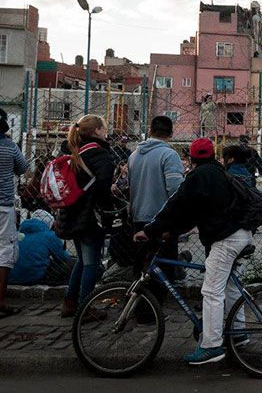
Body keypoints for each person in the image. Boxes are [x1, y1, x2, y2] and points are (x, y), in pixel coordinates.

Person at [134, 137, 253, 366]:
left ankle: (211, 346)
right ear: (213, 155)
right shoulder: (219, 173)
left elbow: (176, 205)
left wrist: (150, 230)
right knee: (228, 286)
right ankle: (238, 334)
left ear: (191, 158)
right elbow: (195, 213)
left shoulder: (197, 177)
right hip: (240, 233)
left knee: (211, 291)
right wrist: (173, 230)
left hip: (226, 238)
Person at [57, 115, 115, 319]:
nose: (106, 132)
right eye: (104, 128)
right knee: (92, 264)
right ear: (97, 131)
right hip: (90, 216)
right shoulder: (100, 154)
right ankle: (85, 307)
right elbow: (103, 186)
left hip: (71, 213)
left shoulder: (74, 150)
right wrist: (108, 210)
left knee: (82, 261)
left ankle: (69, 302)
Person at [128, 115, 185, 290]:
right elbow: (176, 190)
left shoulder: (134, 155)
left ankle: (141, 309)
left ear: (150, 130)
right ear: (171, 133)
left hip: (138, 217)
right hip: (161, 220)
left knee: (142, 267)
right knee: (163, 269)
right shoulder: (169, 155)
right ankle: (155, 312)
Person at [0, 108, 29, 318]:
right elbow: (23, 167)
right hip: (3, 206)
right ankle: (0, 301)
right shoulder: (9, 147)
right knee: (4, 254)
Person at [10, 210, 73, 286]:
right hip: (33, 277)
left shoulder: (17, 234)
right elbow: (63, 258)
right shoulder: (49, 235)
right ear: (49, 224)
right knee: (74, 263)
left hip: (11, 276)